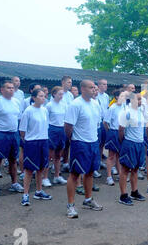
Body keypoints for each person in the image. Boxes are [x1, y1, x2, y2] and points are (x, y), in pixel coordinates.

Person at [64, 80, 103, 218]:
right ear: (83, 89)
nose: (94, 90)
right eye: (91, 87)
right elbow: (68, 126)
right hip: (79, 143)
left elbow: (96, 124)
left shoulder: (95, 104)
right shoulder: (75, 104)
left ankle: (88, 200)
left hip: (93, 142)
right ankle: (70, 205)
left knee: (90, 172)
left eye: (95, 87)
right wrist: (73, 140)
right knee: (75, 174)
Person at [0, 80, 24, 199]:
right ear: (2, 90)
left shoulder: (16, 102)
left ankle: (14, 183)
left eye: (12, 88)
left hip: (13, 134)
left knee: (13, 160)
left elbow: (18, 118)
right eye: (8, 88)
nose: (11, 89)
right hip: (0, 135)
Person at [19, 89, 52, 206]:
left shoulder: (44, 110)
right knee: (29, 170)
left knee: (41, 168)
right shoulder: (28, 111)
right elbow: (22, 130)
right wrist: (29, 140)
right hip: (32, 142)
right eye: (40, 96)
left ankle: (39, 191)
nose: (43, 98)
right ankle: (25, 195)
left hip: (43, 141)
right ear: (34, 97)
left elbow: (46, 126)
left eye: (44, 96)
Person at [118, 93, 147, 205]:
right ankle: (123, 195)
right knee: (125, 170)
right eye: (139, 99)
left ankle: (134, 192)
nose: (141, 101)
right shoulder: (126, 112)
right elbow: (121, 130)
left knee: (135, 169)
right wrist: (125, 142)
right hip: (130, 143)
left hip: (139, 144)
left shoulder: (140, 111)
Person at [45, 86, 68, 185]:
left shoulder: (64, 105)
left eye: (62, 94)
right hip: (52, 130)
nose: (61, 96)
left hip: (61, 130)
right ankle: (45, 177)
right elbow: (45, 119)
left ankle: (57, 176)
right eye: (59, 94)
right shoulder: (49, 105)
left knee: (58, 155)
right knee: (49, 155)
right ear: (54, 94)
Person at [103, 89, 126, 186]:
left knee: (119, 155)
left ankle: (120, 174)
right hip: (113, 132)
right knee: (111, 156)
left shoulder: (125, 107)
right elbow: (105, 122)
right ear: (117, 97)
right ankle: (109, 176)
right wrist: (111, 132)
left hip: (122, 133)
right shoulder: (112, 108)